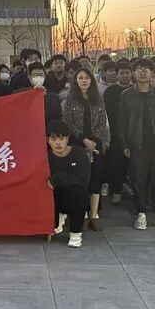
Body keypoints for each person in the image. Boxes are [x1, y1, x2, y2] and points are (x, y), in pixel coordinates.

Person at [118, 59, 155, 231]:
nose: (143, 72)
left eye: (146, 70)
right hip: (136, 144)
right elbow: (121, 122)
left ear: (152, 74)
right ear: (134, 74)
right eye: (139, 69)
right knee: (138, 180)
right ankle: (141, 213)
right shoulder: (127, 95)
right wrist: (124, 144)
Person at [61, 67, 109, 231]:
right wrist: (83, 139)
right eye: (80, 78)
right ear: (76, 81)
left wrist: (94, 139)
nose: (84, 81)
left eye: (86, 78)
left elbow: (102, 120)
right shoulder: (70, 99)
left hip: (95, 143)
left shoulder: (98, 98)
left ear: (91, 80)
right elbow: (68, 121)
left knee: (96, 178)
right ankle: (81, 214)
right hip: (77, 143)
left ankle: (94, 215)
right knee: (80, 179)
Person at [47, 119, 91, 249]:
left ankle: (76, 233)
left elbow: (83, 181)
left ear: (67, 139)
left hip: (74, 196)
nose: (58, 143)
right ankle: (57, 219)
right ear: (48, 140)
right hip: (53, 197)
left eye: (61, 138)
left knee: (81, 194)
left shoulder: (80, 154)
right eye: (53, 139)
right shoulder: (45, 157)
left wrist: (59, 177)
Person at [104, 61, 134, 205]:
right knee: (117, 163)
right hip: (115, 133)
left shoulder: (136, 90)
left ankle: (132, 189)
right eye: (122, 73)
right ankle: (117, 190)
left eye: (128, 73)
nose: (125, 75)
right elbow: (106, 114)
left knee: (133, 164)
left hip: (133, 133)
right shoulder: (110, 92)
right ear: (116, 75)